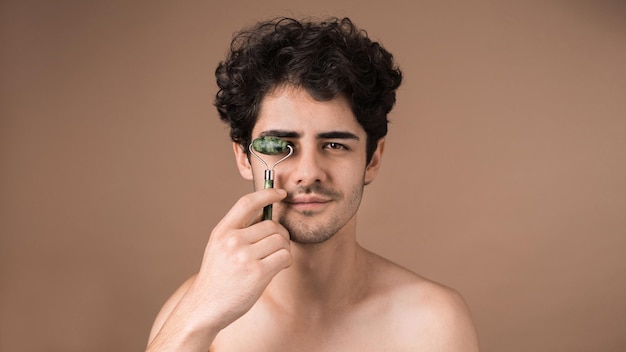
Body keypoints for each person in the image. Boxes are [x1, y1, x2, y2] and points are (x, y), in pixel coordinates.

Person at [146, 16, 479, 351]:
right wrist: (198, 314)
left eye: (334, 145)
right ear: (244, 158)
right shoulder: (194, 313)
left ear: (372, 159)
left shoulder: (432, 323)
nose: (309, 172)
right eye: (279, 146)